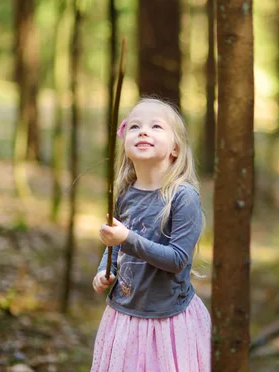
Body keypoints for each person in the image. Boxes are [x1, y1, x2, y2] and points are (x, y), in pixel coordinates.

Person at [90, 98, 210, 372]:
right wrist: (104, 269)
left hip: (168, 321)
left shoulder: (183, 197)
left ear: (175, 149)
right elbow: (114, 246)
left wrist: (126, 238)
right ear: (125, 142)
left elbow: (178, 259)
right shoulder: (124, 193)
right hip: (125, 315)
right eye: (134, 126)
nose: (143, 131)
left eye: (156, 126)